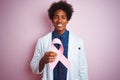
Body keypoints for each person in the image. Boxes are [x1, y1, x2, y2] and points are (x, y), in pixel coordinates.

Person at [30, 1, 88, 80]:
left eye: (63, 17)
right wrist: (43, 60)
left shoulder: (78, 41)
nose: (59, 20)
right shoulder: (42, 41)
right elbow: (33, 68)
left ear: (67, 20)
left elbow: (83, 69)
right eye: (56, 17)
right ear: (52, 19)